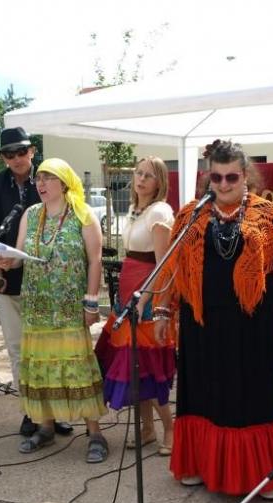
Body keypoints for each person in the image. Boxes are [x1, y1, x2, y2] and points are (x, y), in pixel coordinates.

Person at [153, 140, 273, 496]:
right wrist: (163, 310)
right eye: (217, 177)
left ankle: (259, 475)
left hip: (253, 326)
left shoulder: (268, 214)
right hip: (201, 324)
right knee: (203, 395)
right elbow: (173, 269)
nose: (223, 184)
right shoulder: (191, 214)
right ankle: (198, 464)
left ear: (245, 176)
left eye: (231, 177)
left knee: (251, 395)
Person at [0, 158, 109, 463]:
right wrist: (9, 262)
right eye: (39, 179)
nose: (40, 184)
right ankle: (45, 428)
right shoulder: (31, 215)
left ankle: (95, 433)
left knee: (79, 370)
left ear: (64, 182)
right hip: (37, 307)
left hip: (70, 307)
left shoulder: (84, 216)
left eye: (48, 178)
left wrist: (91, 302)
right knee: (41, 368)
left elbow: (95, 261)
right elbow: (20, 256)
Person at [0, 128, 73, 437]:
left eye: (21, 152)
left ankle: (58, 412)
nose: (17, 159)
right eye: (9, 154)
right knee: (18, 351)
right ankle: (31, 412)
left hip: (48, 284)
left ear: (32, 151)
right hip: (11, 281)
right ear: (3, 158)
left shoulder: (50, 176)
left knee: (52, 350)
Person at [94, 156, 175, 456]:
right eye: (138, 173)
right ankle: (148, 428)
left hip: (147, 298)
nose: (141, 179)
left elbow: (163, 265)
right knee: (134, 369)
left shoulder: (160, 212)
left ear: (159, 182)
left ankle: (169, 427)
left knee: (148, 369)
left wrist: (145, 300)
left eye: (148, 175)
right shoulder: (134, 210)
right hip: (128, 292)